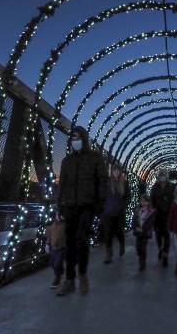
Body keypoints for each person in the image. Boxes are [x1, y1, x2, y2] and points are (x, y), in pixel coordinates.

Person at [56, 126, 108, 296]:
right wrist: (59, 205)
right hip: (70, 205)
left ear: (84, 139)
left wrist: (100, 203)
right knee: (69, 242)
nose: (74, 140)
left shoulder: (95, 158)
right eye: (72, 138)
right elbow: (62, 184)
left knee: (81, 238)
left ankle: (83, 276)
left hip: (88, 205)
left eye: (78, 137)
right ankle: (69, 280)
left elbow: (102, 180)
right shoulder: (66, 161)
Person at [102, 162, 130, 264]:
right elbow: (103, 196)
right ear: (112, 171)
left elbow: (128, 197)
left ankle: (122, 244)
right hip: (108, 212)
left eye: (118, 170)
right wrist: (103, 207)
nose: (116, 172)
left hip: (119, 213)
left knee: (119, 231)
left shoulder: (125, 183)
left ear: (121, 172)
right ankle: (109, 254)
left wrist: (122, 206)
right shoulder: (108, 183)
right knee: (108, 234)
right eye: (114, 170)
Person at [150, 169, 175, 267]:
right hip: (157, 215)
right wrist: (152, 210)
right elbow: (151, 200)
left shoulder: (172, 187)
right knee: (158, 235)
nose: (162, 176)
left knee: (167, 235)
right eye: (160, 175)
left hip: (168, 214)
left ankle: (165, 256)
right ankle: (160, 248)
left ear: (167, 176)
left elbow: (175, 198)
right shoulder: (155, 187)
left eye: (164, 175)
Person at [133, 194, 156, 271]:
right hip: (138, 232)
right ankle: (140, 257)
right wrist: (135, 227)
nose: (143, 203)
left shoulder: (151, 212)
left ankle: (142, 262)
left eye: (145, 201)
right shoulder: (137, 210)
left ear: (148, 202)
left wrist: (144, 229)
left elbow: (150, 223)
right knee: (137, 247)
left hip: (145, 233)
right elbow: (134, 220)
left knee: (143, 247)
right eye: (142, 201)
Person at [45, 211, 66, 289]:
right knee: (52, 263)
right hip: (54, 248)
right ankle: (60, 271)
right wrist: (47, 244)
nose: (58, 216)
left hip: (62, 248)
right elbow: (49, 235)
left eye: (60, 214)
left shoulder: (65, 225)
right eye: (57, 214)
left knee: (57, 263)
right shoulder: (53, 224)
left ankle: (57, 278)